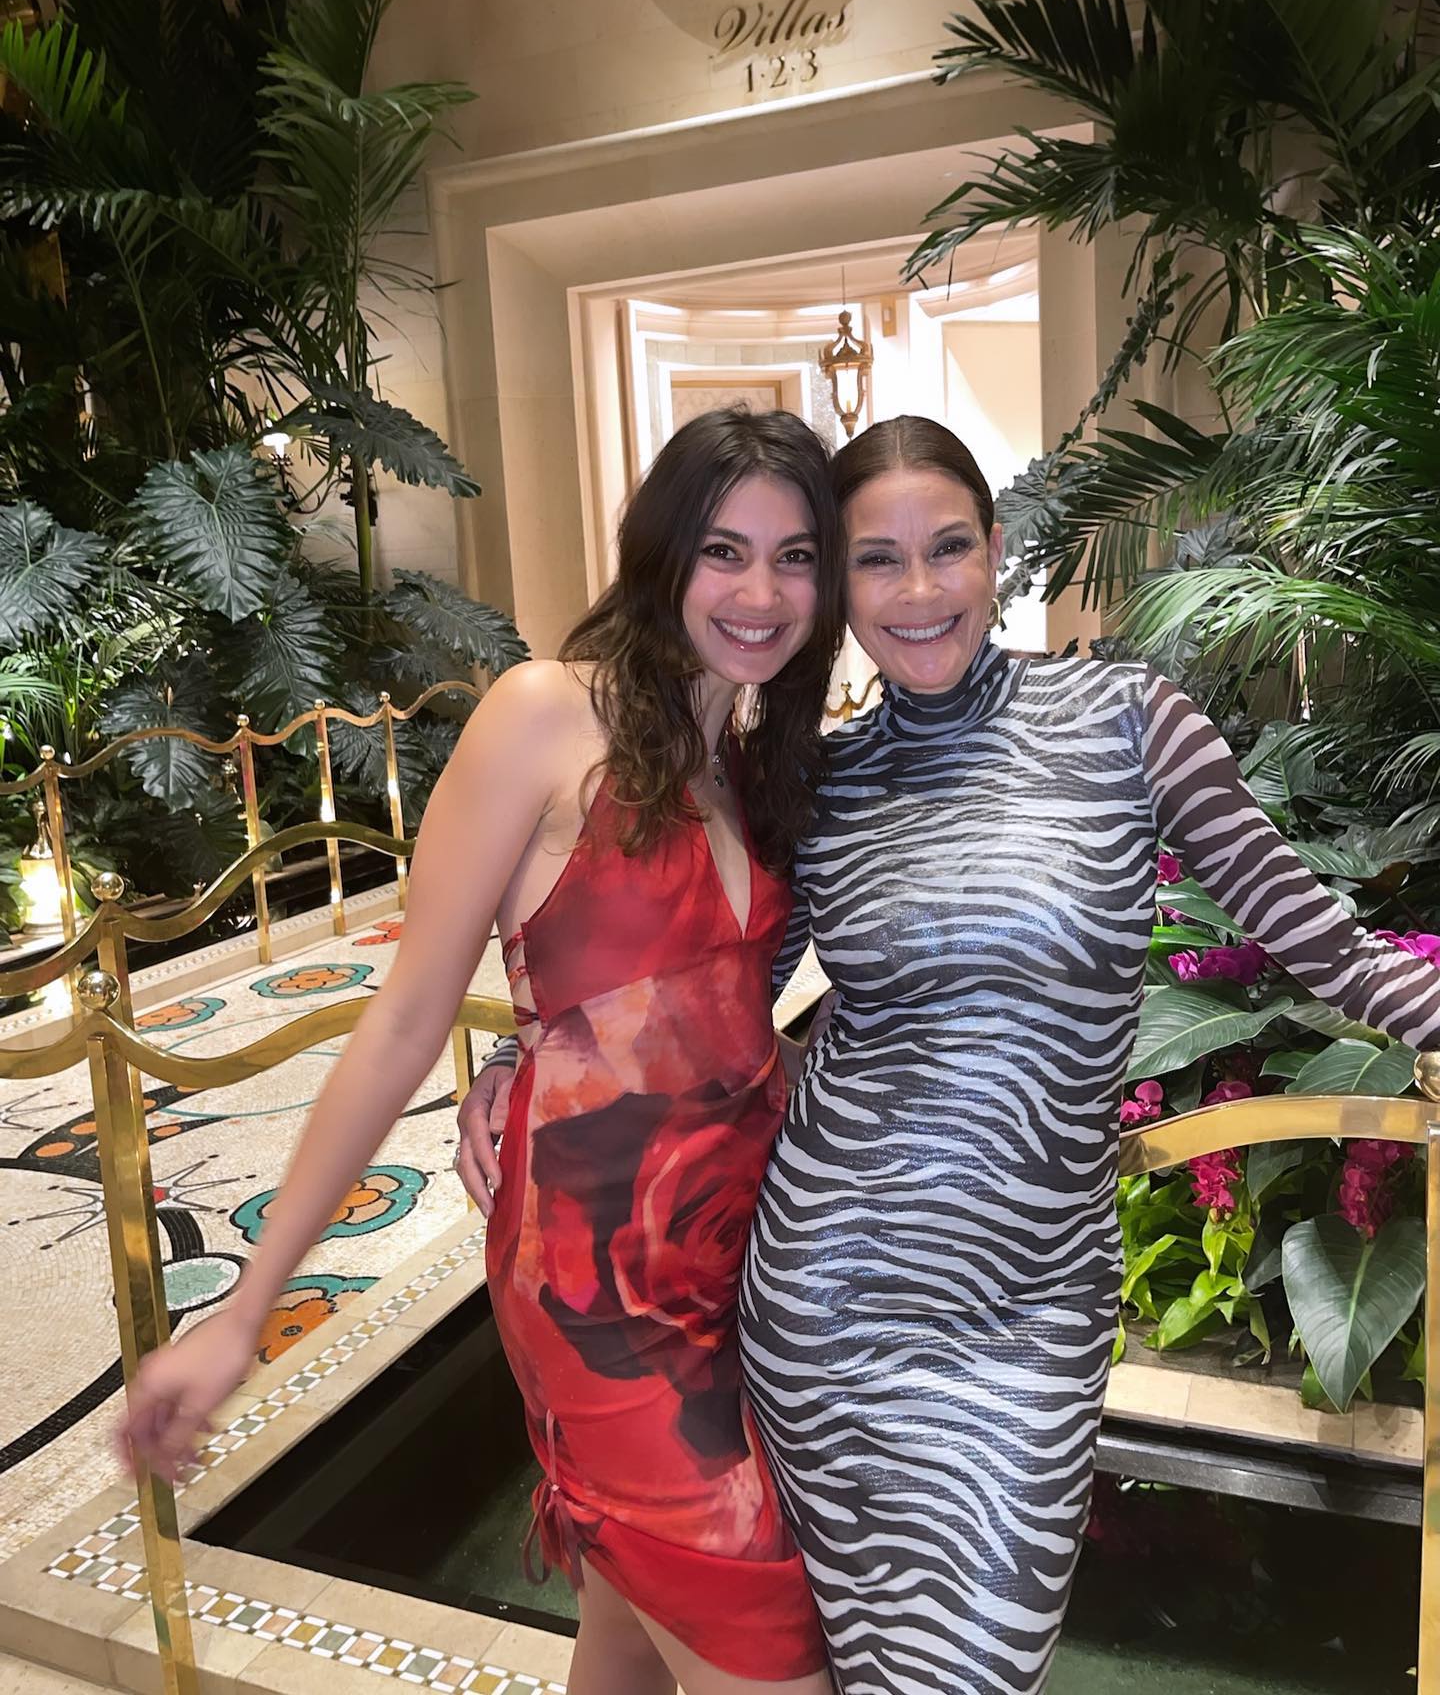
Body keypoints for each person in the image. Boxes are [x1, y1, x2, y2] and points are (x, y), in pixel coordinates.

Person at [463, 414, 1440, 1695]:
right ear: (837, 590)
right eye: (876, 560)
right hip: (827, 1303)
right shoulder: (819, 779)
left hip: (1030, 1313)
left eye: (949, 547)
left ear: (997, 549)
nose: (919, 591)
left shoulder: (1129, 721)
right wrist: (531, 1056)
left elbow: (1321, 938)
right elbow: (702, 992)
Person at [120, 406, 845, 1695]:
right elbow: (404, 1021)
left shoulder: (750, 759)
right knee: (770, 1647)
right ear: (663, 554)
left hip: (734, 1260)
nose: (761, 592)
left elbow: (714, 1016)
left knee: (628, 1638)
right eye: (725, 551)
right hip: (593, 1285)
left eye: (795, 558)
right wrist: (245, 1312)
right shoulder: (544, 714)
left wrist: (538, 1054)